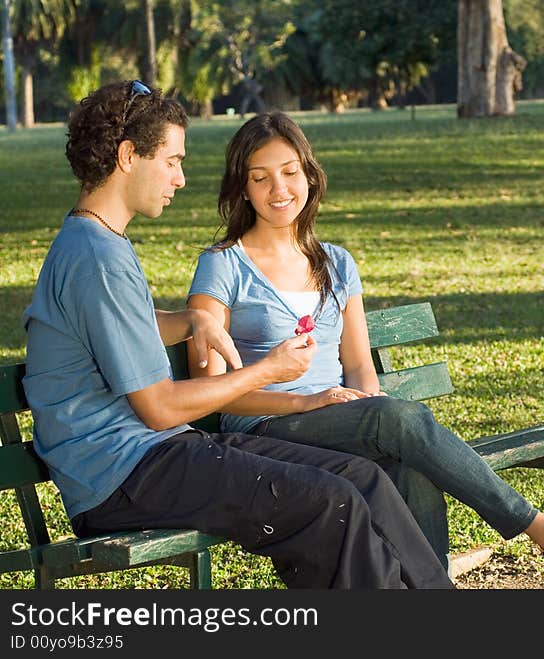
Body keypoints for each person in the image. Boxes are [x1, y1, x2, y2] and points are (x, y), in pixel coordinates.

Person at [21, 80, 453, 590]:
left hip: (159, 454)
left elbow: (117, 323)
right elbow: (158, 407)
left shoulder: (97, 241)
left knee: (362, 480)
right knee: (328, 502)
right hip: (122, 476)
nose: (180, 178)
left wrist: (191, 320)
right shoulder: (96, 255)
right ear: (127, 155)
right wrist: (267, 370)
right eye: (172, 160)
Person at [186, 111, 544, 587]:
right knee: (399, 420)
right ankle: (543, 531)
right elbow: (212, 392)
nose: (279, 189)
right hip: (265, 425)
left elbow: (357, 365)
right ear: (242, 187)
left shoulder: (336, 262)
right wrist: (311, 401)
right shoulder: (222, 266)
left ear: (309, 175)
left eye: (290, 172)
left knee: (410, 469)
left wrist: (364, 403)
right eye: (261, 177)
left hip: (337, 421)